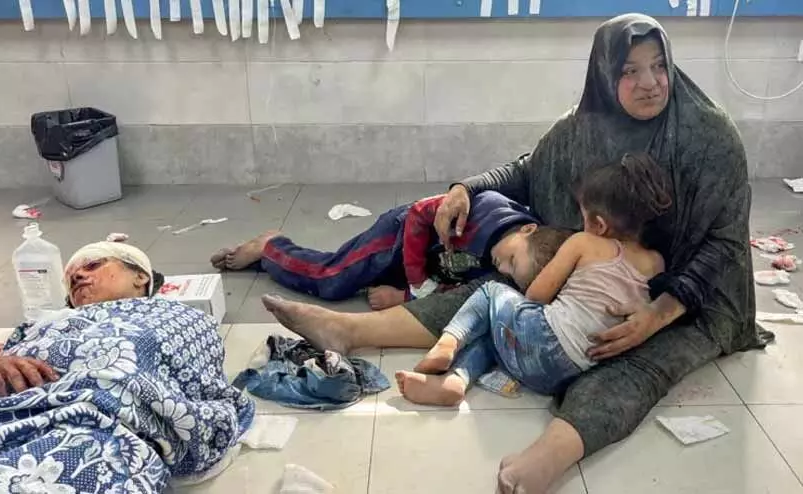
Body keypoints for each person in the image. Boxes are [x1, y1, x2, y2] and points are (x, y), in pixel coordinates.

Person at [258, 13, 772, 493]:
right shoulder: (584, 126)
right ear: (604, 75)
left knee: (629, 361)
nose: (651, 82)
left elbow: (724, 243)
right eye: (630, 70)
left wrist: (656, 315)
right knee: (494, 293)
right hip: (600, 275)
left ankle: (551, 454)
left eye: (659, 66)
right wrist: (467, 188)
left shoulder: (708, 135)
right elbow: (528, 169)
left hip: (692, 299)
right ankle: (349, 331)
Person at [396, 152, 670, 407]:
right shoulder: (657, 262)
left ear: (599, 225)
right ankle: (455, 382)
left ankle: (447, 344)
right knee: (495, 335)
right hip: (567, 373)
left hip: (546, 340)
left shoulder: (583, 242)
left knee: (491, 292)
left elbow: (536, 296)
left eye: (584, 216)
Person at [0, 241, 253, 492]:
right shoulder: (37, 328)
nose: (77, 276)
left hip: (95, 428)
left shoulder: (181, 317)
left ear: (140, 277)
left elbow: (199, 389)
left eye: (93, 265)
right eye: (70, 279)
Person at [210, 191, 562, 310]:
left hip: (424, 266)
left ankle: (270, 258)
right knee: (332, 278)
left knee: (342, 274)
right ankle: (271, 246)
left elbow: (460, 289)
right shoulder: (485, 210)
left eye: (511, 272)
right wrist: (415, 283)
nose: (503, 268)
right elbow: (421, 213)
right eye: (512, 260)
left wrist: (404, 296)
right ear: (528, 229)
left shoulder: (507, 262)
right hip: (398, 237)